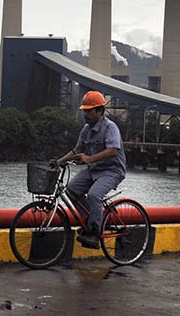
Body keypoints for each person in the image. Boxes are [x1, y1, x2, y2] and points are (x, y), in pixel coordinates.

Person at [54, 90, 127, 249]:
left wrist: (89, 159)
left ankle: (94, 232)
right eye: (84, 111)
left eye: (89, 111)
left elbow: (113, 150)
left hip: (112, 170)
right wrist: (59, 161)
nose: (85, 114)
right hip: (94, 170)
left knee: (94, 194)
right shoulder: (86, 129)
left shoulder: (110, 128)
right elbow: (76, 149)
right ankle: (90, 220)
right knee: (71, 190)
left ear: (100, 111)